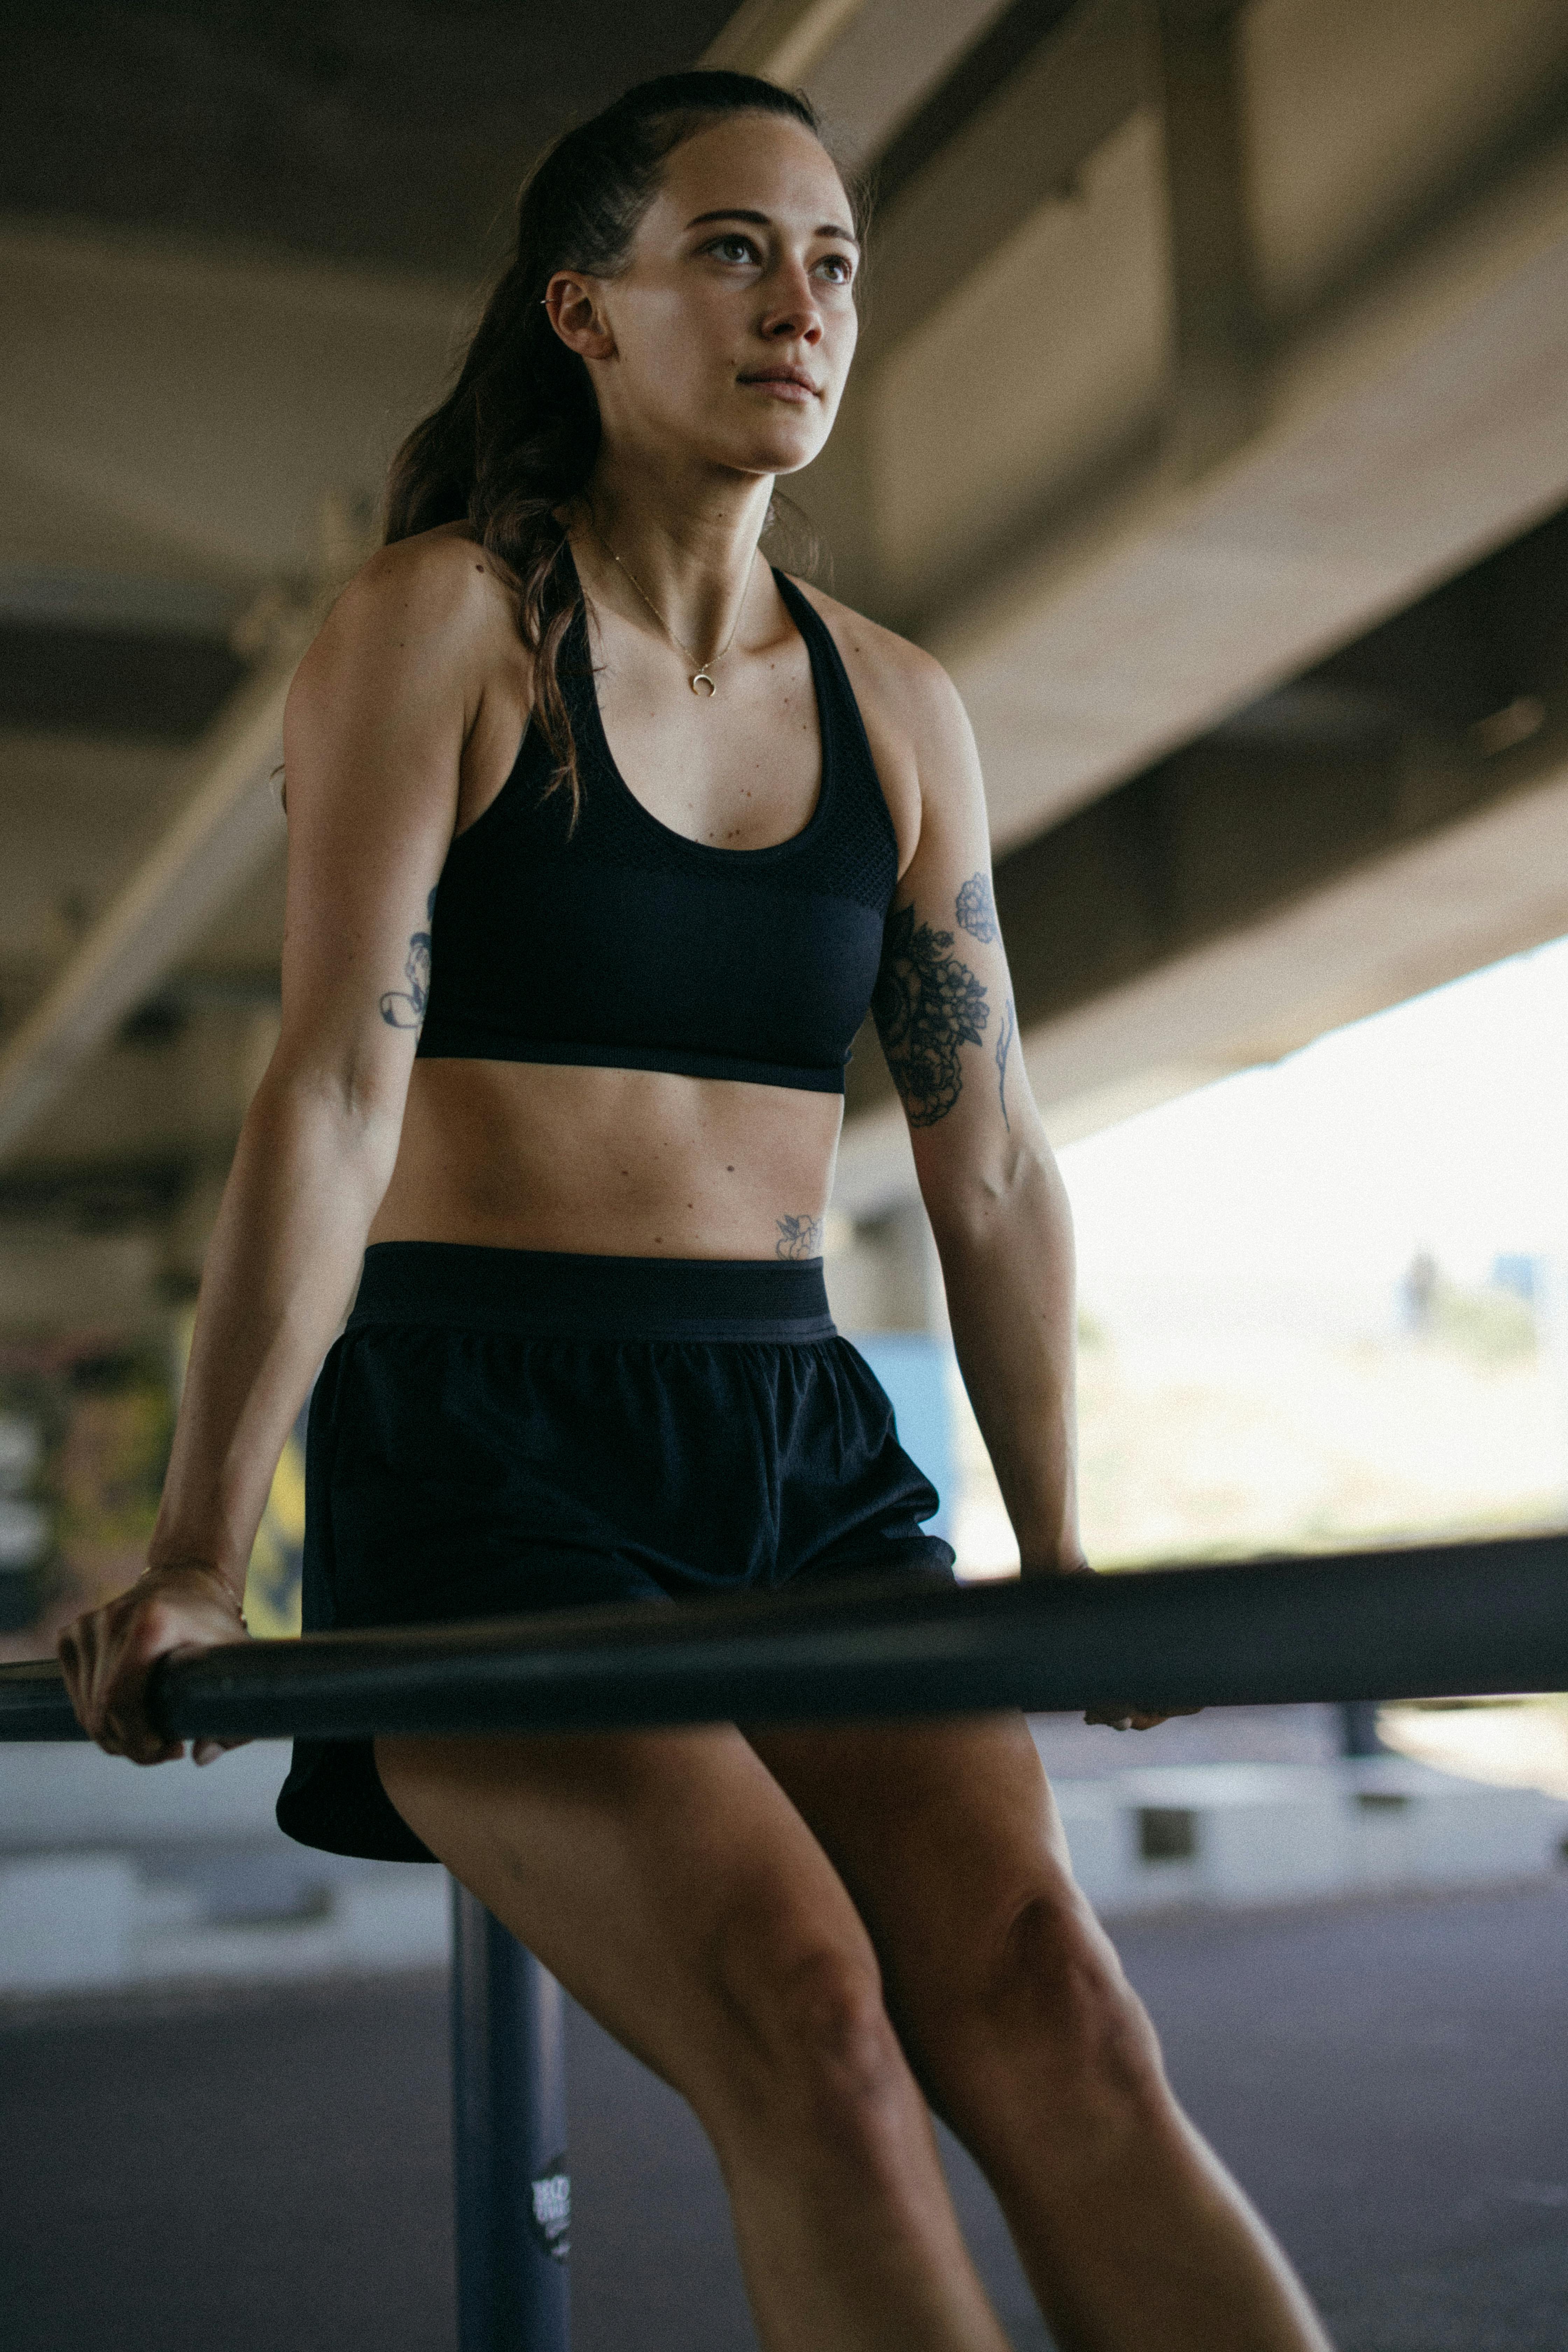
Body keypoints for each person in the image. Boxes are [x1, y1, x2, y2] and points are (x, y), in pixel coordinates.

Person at [58, 70, 1332, 2352]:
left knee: (1064, 2015)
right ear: (587, 314)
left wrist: (1063, 1567)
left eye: (836, 262)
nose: (802, 305)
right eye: (735, 250)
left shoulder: (904, 710)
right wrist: (194, 1553)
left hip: (804, 1450)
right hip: (488, 1461)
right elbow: (337, 1079)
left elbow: (997, 1153)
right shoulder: (439, 625)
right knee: (812, 2026)